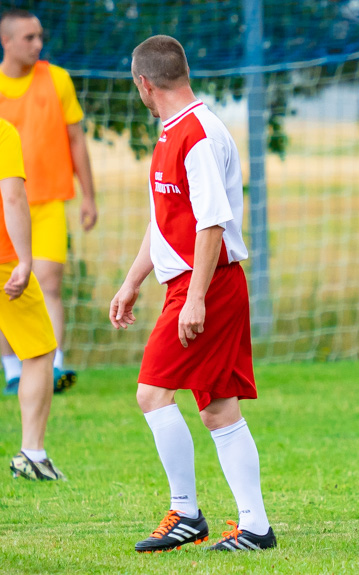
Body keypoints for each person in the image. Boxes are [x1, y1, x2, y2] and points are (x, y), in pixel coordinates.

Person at [110, 35, 275, 553]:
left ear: (144, 83)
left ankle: (186, 513)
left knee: (152, 393)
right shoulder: (172, 131)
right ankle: (256, 527)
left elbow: (210, 224)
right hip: (195, 283)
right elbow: (166, 221)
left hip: (207, 286)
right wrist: (134, 280)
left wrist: (197, 297)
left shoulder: (198, 134)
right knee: (219, 409)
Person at [0, 8, 97, 395]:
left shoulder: (57, 79)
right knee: (10, 287)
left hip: (49, 202)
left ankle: (54, 367)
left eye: (40, 36)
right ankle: (12, 371)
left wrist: (89, 195)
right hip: (7, 205)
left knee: (49, 284)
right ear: (6, 41)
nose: (38, 44)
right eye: (29, 38)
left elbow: (76, 139)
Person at [0, 117, 65, 481]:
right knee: (40, 350)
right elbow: (11, 195)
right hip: (3, 261)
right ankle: (32, 455)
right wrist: (25, 260)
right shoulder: (3, 132)